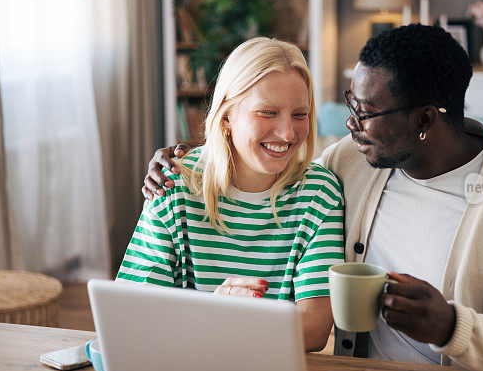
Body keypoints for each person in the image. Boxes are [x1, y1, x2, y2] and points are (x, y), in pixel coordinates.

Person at [144, 25, 483, 371]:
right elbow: (269, 161)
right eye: (350, 102)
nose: (351, 123)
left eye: (367, 111)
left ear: (425, 119)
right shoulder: (351, 164)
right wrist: (194, 155)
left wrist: (453, 328)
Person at [120, 37, 344, 352]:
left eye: (299, 114)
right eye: (268, 112)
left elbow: (315, 328)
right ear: (227, 116)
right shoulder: (173, 186)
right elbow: (131, 315)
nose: (288, 133)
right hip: (183, 368)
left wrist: (211, 322)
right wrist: (217, 315)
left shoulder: (319, 194)